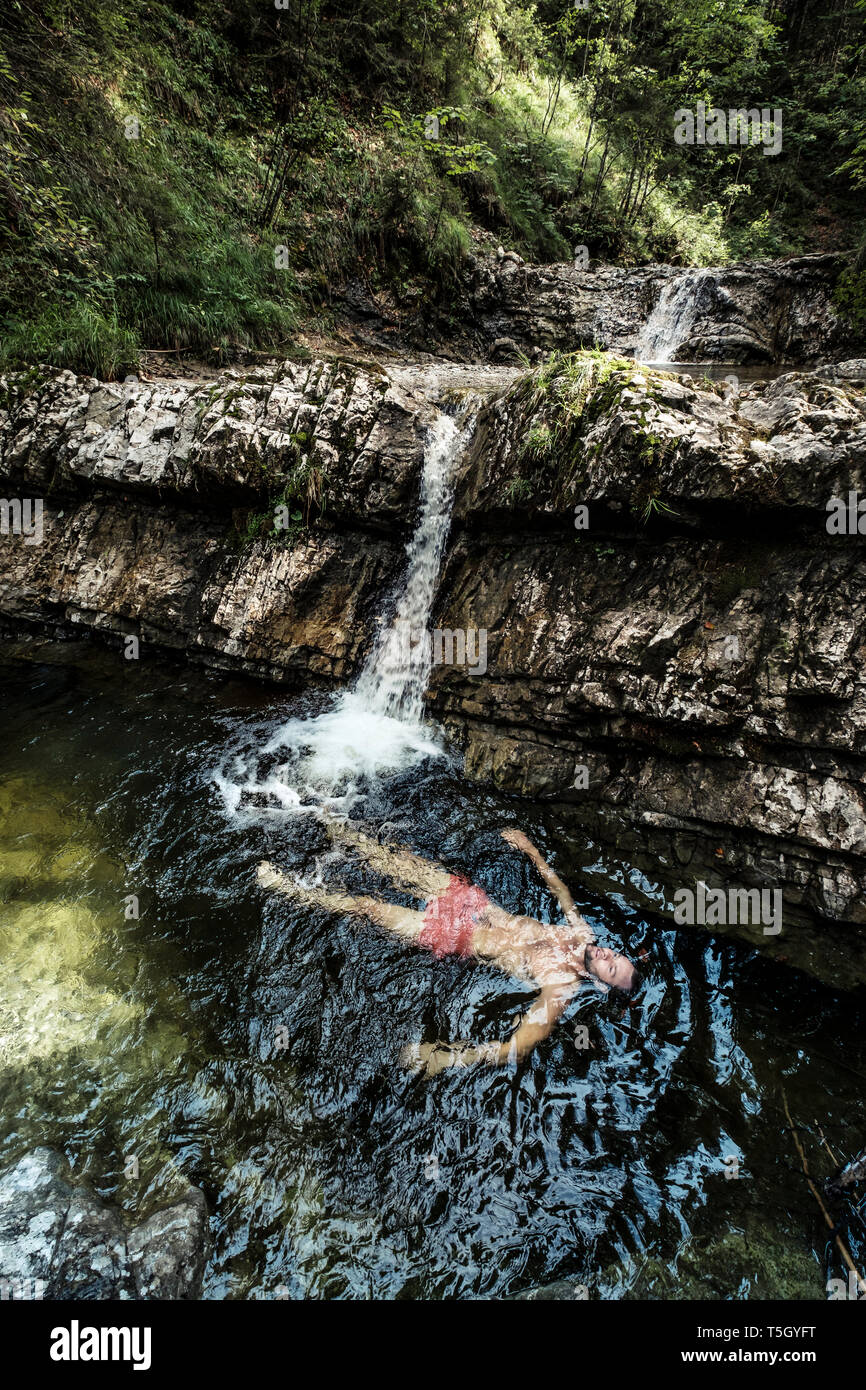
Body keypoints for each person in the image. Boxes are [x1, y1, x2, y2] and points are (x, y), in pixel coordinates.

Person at [257, 823, 640, 1076]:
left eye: (610, 968)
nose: (607, 956)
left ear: (600, 985)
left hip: (457, 936)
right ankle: (333, 826)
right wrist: (532, 851)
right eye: (615, 956)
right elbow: (561, 891)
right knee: (396, 861)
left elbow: (517, 1046)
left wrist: (446, 1057)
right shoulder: (584, 936)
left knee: (369, 909)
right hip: (478, 905)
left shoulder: (560, 989)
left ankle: (288, 889)